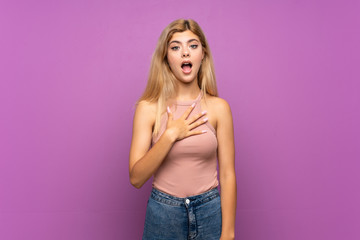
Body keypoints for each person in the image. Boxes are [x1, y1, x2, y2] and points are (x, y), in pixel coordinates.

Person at [129, 19, 236, 240]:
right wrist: (170, 135)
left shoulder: (219, 108)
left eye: (193, 45)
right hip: (163, 214)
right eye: (176, 47)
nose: (185, 53)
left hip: (209, 212)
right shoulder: (148, 108)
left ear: (203, 54)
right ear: (166, 58)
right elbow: (136, 178)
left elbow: (227, 174)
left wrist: (228, 233)